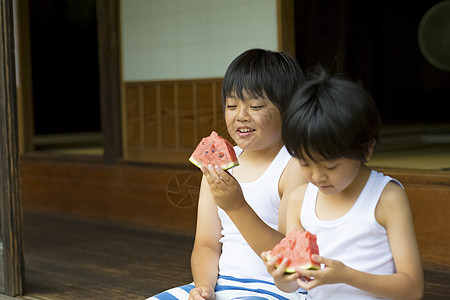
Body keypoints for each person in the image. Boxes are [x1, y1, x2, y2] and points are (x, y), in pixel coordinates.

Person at [146, 48, 307, 300]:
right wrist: (203, 287)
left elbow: (291, 259)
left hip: (278, 290)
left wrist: (235, 206)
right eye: (232, 105)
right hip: (221, 283)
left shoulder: (294, 167)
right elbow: (206, 244)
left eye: (255, 106)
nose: (241, 116)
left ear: (289, 110)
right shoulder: (218, 161)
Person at [262, 66, 424, 299]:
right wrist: (281, 276)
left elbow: (413, 288)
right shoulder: (299, 200)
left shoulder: (386, 198)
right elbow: (292, 286)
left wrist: (345, 275)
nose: (317, 176)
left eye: (330, 166)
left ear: (366, 150)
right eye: (305, 164)